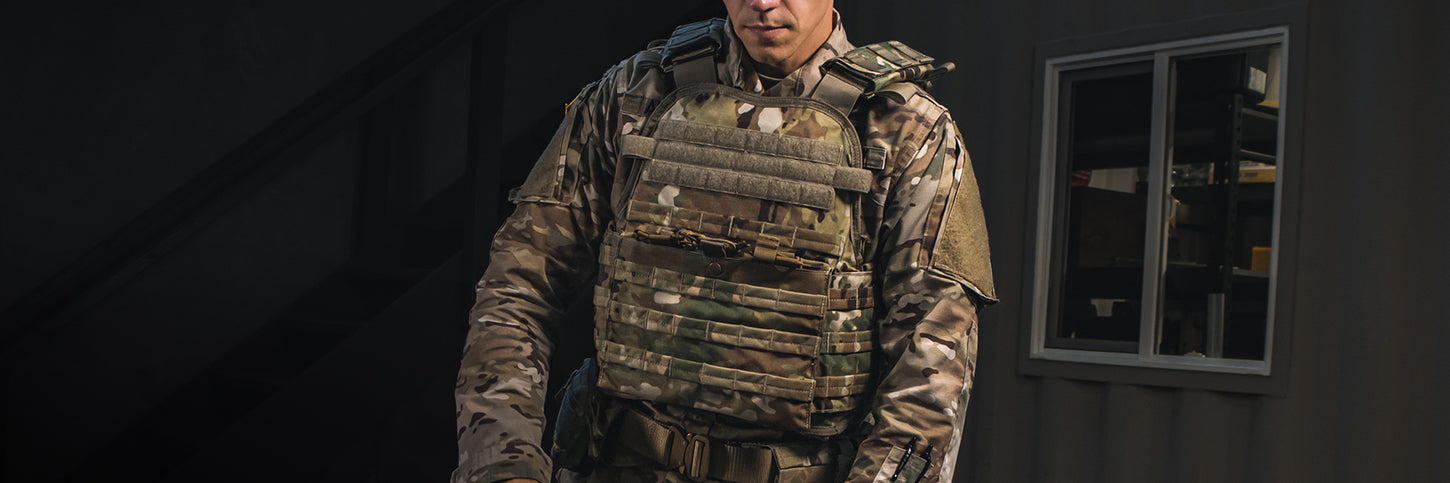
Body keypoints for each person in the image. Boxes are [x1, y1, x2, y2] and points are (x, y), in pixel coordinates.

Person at [452, 0, 996, 481]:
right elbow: (516, 289)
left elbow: (931, 362)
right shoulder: (632, 95)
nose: (762, 3)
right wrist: (503, 461)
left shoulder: (907, 131)